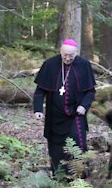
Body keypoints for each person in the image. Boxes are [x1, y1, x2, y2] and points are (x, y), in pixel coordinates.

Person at [33, 39, 96, 178]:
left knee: (77, 145)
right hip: (54, 115)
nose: (68, 58)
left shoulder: (84, 65)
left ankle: (79, 178)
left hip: (75, 115)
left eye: (71, 56)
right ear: (60, 52)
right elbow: (39, 91)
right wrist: (38, 110)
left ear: (76, 53)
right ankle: (59, 177)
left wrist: (84, 106)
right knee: (55, 148)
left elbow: (91, 91)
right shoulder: (49, 64)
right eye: (65, 55)